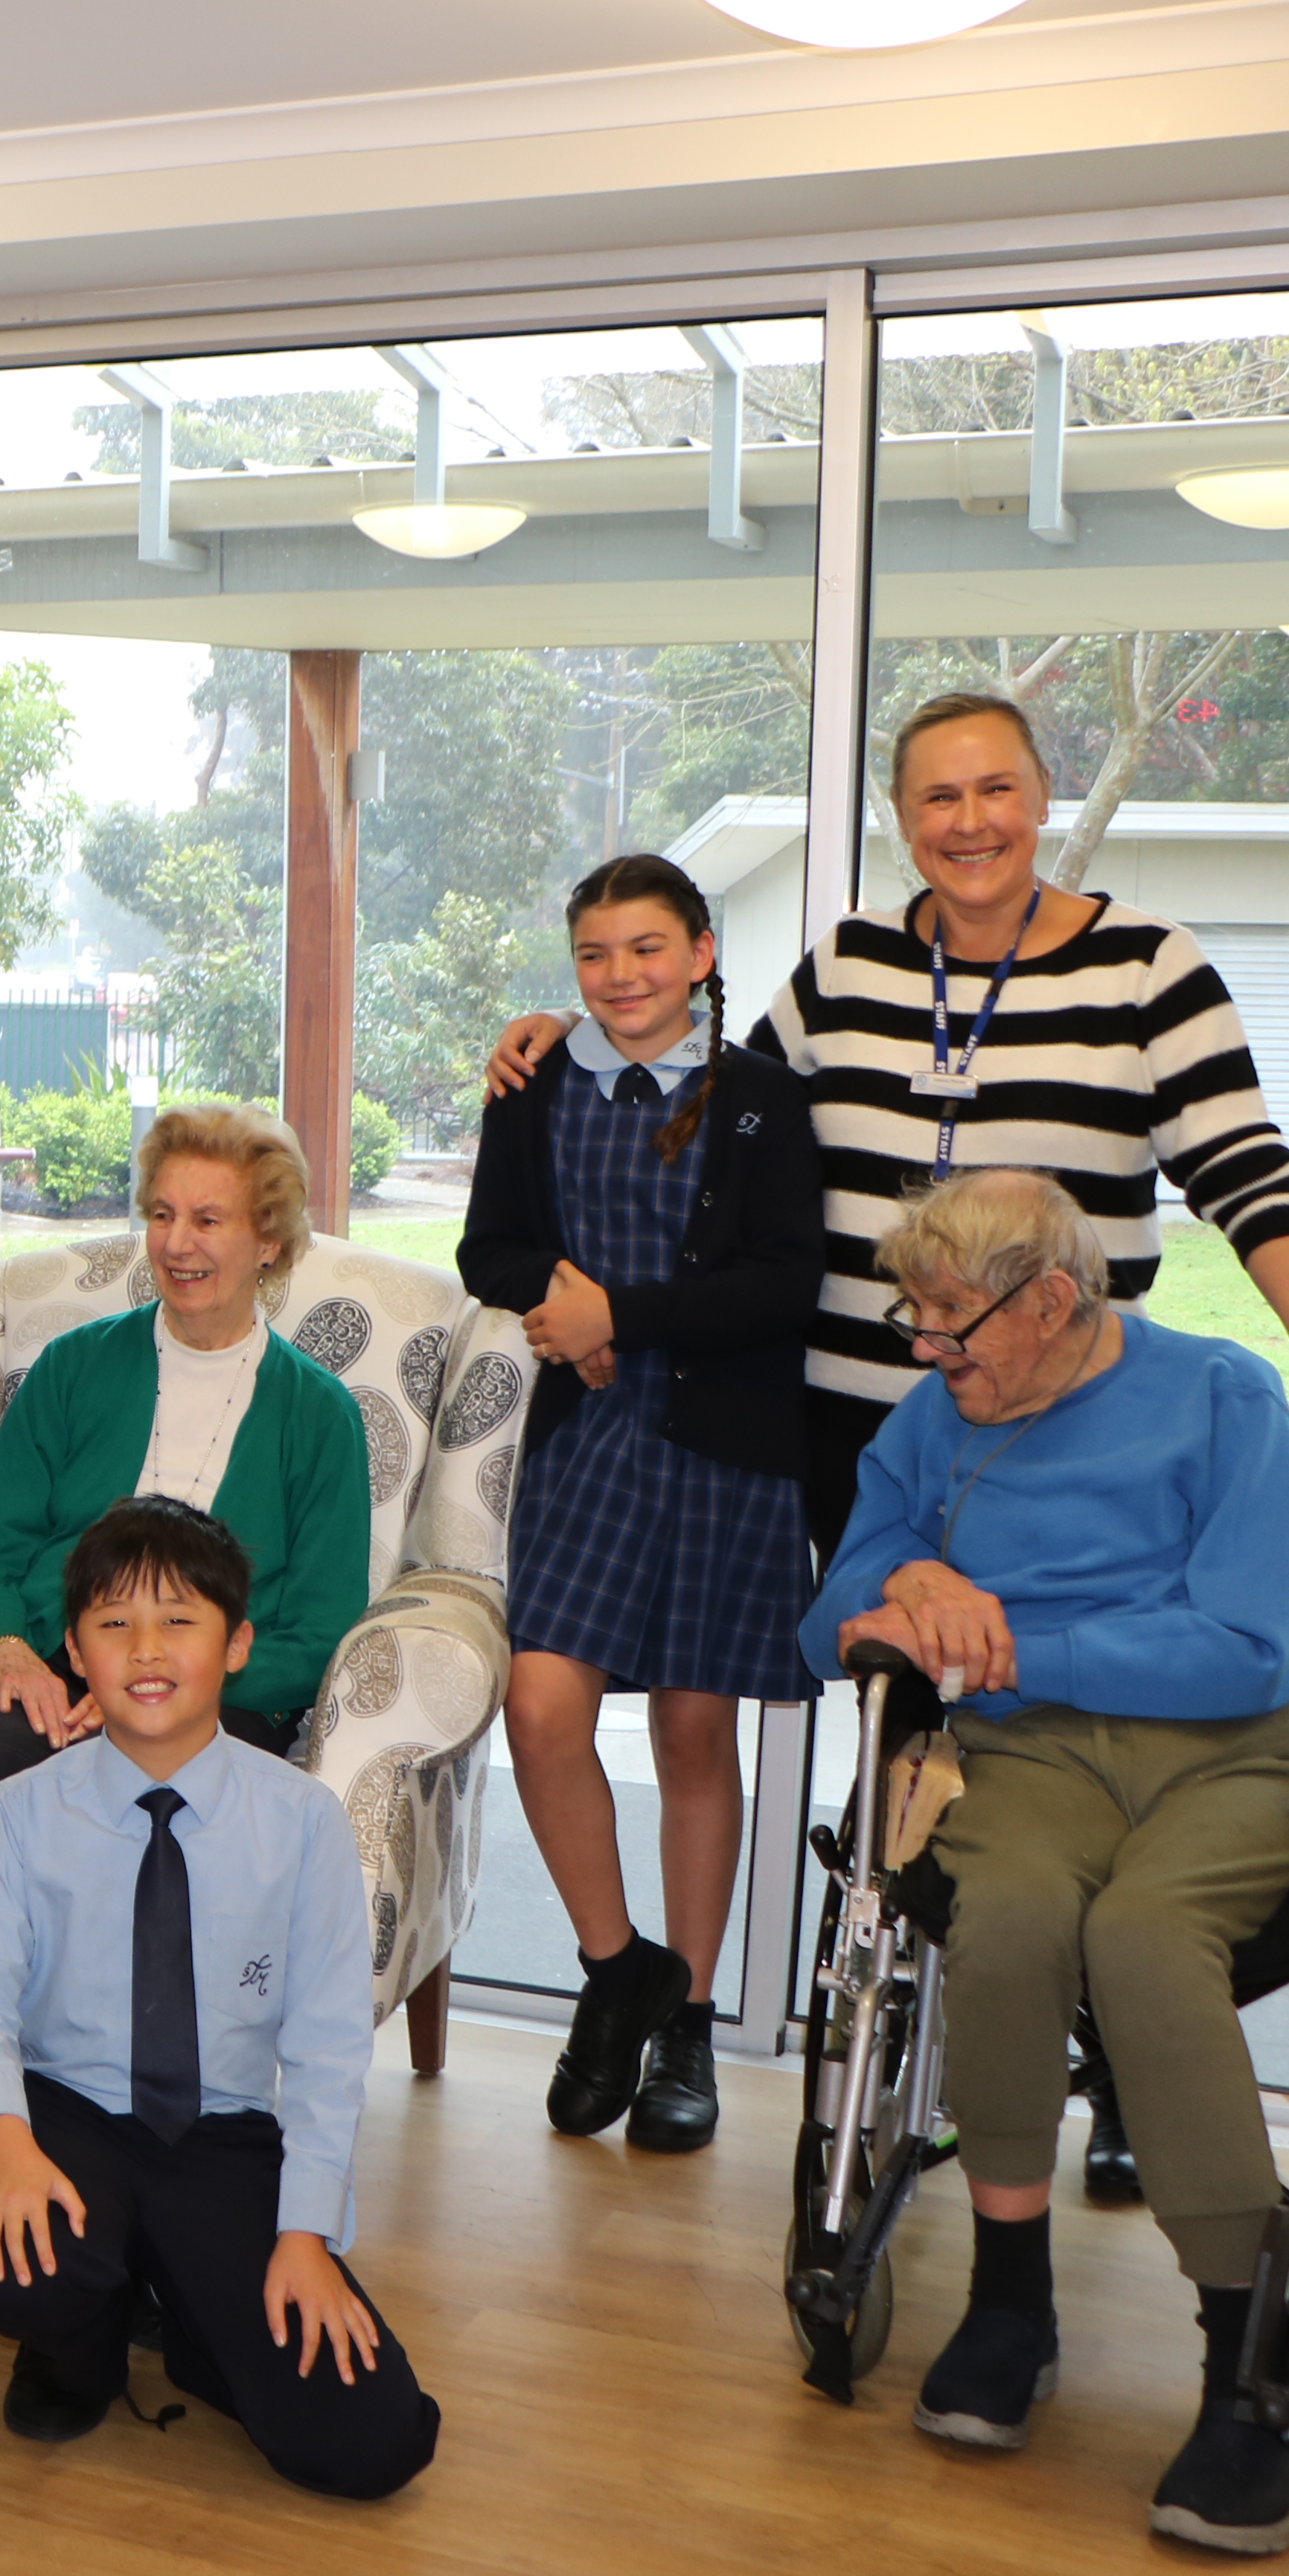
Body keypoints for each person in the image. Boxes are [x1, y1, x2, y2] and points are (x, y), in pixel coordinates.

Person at [483, 688, 1289, 1542]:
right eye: (939, 798)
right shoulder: (850, 963)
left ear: (1043, 798)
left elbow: (1249, 1179)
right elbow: (715, 1095)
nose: (969, 822)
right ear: (903, 817)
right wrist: (584, 1026)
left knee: (1030, 1684)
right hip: (845, 1421)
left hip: (1056, 1413)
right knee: (895, 1690)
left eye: (995, 790)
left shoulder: (1148, 968)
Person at [813, 1168, 1289, 2556]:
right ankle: (1009, 2299)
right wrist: (910, 1590)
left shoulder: (1222, 1397)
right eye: (914, 1316)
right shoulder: (934, 1420)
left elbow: (1240, 1646)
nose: (928, 1350)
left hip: (1233, 1748)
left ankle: (1249, 2362)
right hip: (1031, 1755)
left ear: (1050, 1301)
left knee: (1149, 1938)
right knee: (1014, 1916)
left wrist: (1008, 1648)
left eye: (952, 1321)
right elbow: (832, 1623)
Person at [0, 1106, 371, 2242]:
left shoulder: (319, 1414)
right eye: (161, 1214)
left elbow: (321, 1619)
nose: (179, 1241)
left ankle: (176, 2131)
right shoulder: (74, 1371)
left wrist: (182, 1690)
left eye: (210, 1218)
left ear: (269, 1239)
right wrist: (12, 1650)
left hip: (219, 1699)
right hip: (58, 1673)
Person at [0, 1496, 438, 2502]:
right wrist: (7, 2145)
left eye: (181, 1620)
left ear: (237, 1643)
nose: (146, 1649)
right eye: (114, 1624)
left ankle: (197, 2308)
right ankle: (81, 2337)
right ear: (74, 1649)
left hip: (220, 2131)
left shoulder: (301, 1824)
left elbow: (333, 2047)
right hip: (64, 2115)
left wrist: (305, 2239)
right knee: (18, 2266)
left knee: (372, 2445)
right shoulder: (22, 1810)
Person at [455, 856, 823, 2155]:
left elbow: (789, 1283)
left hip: (726, 1445)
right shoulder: (535, 1079)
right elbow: (486, 1247)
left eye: (649, 949)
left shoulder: (770, 1104)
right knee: (542, 1707)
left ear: (705, 953)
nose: (622, 978)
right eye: (598, 955)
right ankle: (619, 1972)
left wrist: (628, 1314)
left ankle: (694, 2026)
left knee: (692, 1733)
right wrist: (564, 1303)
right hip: (595, 1435)